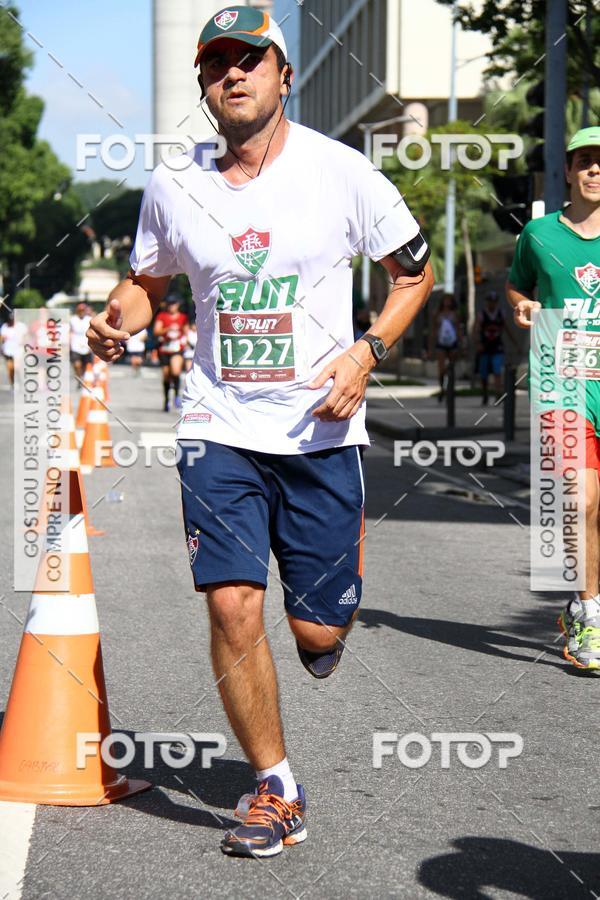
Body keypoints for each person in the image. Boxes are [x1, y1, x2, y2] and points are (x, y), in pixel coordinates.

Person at [87, 4, 433, 858]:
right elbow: (147, 283)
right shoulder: (175, 184)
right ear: (204, 86)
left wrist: (367, 352)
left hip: (319, 432)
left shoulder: (341, 172)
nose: (233, 74)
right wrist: (117, 318)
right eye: (217, 64)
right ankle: (276, 788)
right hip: (218, 423)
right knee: (232, 602)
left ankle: (323, 622)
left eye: (249, 59)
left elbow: (413, 274)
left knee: (317, 634)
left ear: (284, 74)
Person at [506, 125, 600, 673]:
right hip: (561, 382)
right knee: (579, 501)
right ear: (567, 170)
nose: (594, 169)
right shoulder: (538, 234)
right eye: (584, 160)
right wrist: (523, 304)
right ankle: (588, 611)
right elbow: (517, 284)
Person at [153, 296, 188, 410]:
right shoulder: (162, 316)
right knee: (166, 375)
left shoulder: (183, 317)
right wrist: (167, 329)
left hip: (177, 348)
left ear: (178, 305)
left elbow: (186, 331)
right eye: (170, 304)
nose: (171, 306)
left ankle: (177, 395)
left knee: (176, 371)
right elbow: (156, 331)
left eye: (174, 304)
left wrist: (185, 341)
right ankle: (167, 398)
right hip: (165, 349)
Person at [475, 291, 506, 405]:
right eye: (489, 301)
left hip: (497, 346)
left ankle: (498, 393)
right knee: (484, 372)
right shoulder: (482, 314)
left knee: (497, 370)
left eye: (494, 301)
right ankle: (485, 393)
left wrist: (516, 344)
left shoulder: (501, 314)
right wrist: (478, 343)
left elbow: (506, 328)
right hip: (485, 347)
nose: (491, 304)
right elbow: (476, 329)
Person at [430, 294, 461, 401]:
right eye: (445, 300)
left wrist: (460, 343)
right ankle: (442, 388)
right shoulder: (437, 314)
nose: (447, 302)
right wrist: (431, 346)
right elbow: (433, 330)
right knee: (441, 368)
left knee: (451, 367)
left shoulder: (455, 314)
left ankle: (451, 388)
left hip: (452, 343)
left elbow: (458, 329)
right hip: (441, 343)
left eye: (449, 300)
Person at [1, 311, 27, 387]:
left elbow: (26, 337)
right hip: (8, 351)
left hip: (18, 350)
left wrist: (23, 342)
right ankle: (12, 384)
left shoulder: (21, 326)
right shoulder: (5, 326)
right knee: (10, 368)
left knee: (17, 367)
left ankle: (21, 382)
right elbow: (2, 338)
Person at [69, 302, 92, 382]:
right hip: (75, 345)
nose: (81, 312)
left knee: (85, 365)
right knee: (77, 364)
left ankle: (82, 378)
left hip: (86, 345)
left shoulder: (89, 319)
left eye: (83, 310)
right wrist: (69, 343)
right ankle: (79, 377)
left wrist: (91, 346)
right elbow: (70, 332)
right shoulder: (73, 320)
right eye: (80, 310)